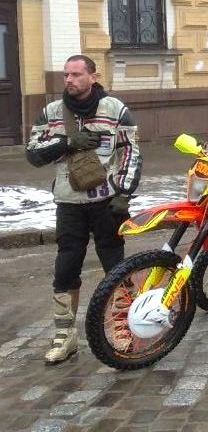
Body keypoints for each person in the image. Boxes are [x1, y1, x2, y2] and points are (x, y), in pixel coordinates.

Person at [25, 55, 142, 364]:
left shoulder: (115, 110)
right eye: (66, 74)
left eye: (76, 74)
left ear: (93, 76)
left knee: (115, 266)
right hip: (69, 204)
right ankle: (65, 336)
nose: (69, 79)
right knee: (65, 269)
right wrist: (66, 143)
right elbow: (33, 153)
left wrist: (124, 195)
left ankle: (122, 328)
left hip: (106, 202)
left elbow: (130, 154)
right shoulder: (51, 113)